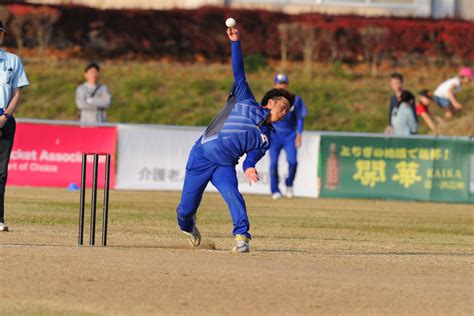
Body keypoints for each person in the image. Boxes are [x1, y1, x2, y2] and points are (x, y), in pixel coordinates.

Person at [176, 27, 294, 253]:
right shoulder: (246, 100)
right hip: (201, 157)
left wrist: (249, 169)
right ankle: (188, 226)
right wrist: (235, 42)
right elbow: (238, 70)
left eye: (287, 111)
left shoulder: (266, 139)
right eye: (282, 107)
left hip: (224, 165)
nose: (284, 112)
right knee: (185, 210)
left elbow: (251, 160)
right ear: (270, 103)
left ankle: (242, 238)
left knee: (233, 195)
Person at [0, 21, 30, 232]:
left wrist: (4, 117)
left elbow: (17, 92)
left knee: (0, 173)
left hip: (5, 120)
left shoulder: (12, 60)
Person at [269, 73, 308, 200]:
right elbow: (263, 116)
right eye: (279, 83)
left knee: (293, 161)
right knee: (273, 163)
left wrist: (299, 134)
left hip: (289, 135)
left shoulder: (295, 99)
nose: (282, 86)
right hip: (274, 135)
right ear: (275, 84)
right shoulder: (270, 99)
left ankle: (289, 184)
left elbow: (300, 118)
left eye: (284, 83)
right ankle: (275, 189)